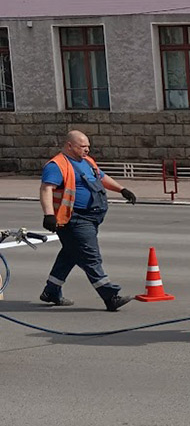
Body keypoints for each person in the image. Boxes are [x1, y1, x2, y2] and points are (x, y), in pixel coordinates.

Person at [38, 129, 137, 311]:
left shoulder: (87, 161)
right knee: (91, 257)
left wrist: (122, 189)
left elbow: (101, 177)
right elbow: (46, 189)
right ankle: (110, 296)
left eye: (88, 146)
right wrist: (49, 215)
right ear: (69, 145)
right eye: (82, 146)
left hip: (92, 217)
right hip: (74, 219)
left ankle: (51, 291)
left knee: (70, 254)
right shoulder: (57, 165)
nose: (87, 150)